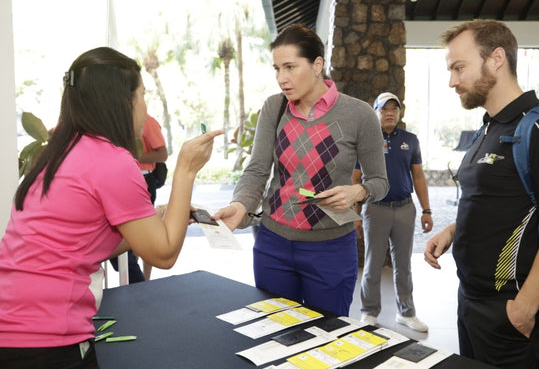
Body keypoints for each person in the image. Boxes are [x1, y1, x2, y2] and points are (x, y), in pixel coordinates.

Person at [0, 47, 223, 368]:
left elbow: (78, 242)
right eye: (142, 95)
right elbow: (163, 254)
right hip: (47, 337)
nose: (145, 107)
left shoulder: (61, 152)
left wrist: (159, 217)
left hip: (13, 326)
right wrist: (186, 169)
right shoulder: (113, 161)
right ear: (123, 101)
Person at [424, 19, 539, 369]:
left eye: (459, 68)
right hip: (471, 301)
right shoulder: (491, 126)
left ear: (496, 58)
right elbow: (495, 200)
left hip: (513, 311)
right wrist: (452, 231)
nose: (452, 80)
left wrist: (524, 308)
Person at [213, 23, 388, 317]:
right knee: (276, 335)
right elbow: (257, 170)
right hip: (272, 245)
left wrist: (358, 191)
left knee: (327, 339)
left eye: (291, 67)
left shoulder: (359, 115)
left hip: (330, 250)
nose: (282, 78)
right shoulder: (274, 108)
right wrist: (240, 204)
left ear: (317, 64)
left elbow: (380, 181)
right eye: (277, 69)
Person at [354, 92, 433, 332]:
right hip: (375, 209)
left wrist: (426, 210)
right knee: (372, 264)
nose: (390, 113)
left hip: (404, 209)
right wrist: (355, 213)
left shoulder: (411, 140)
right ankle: (369, 312)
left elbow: (418, 176)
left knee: (404, 265)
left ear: (400, 113)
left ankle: (406, 313)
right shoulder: (366, 140)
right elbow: (355, 178)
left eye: (394, 109)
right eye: (384, 109)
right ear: (375, 112)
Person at [109, 113, 168, 282]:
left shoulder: (147, 121)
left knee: (142, 235)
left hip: (142, 178)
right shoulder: (110, 120)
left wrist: (129, 155)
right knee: (127, 239)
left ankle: (142, 282)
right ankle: (137, 281)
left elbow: (162, 154)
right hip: (119, 179)